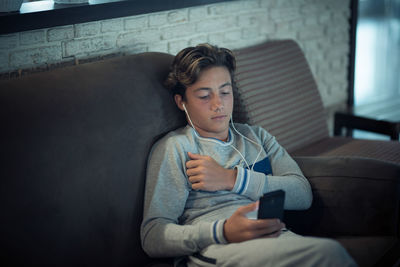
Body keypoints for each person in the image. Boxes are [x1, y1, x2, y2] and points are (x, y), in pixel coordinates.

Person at [140, 44, 357, 267]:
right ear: (181, 102)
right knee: (329, 254)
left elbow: (302, 195)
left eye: (225, 92)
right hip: (218, 248)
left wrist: (232, 179)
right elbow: (153, 235)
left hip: (277, 239)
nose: (218, 104)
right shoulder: (176, 147)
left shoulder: (256, 137)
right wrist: (222, 232)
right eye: (205, 96)